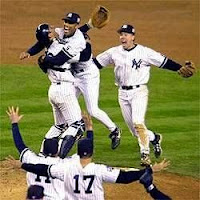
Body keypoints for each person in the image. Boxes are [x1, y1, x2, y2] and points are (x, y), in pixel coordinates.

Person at [93, 24, 195, 166]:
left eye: (126, 34)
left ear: (133, 37)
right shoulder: (113, 52)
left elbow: (163, 62)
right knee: (135, 131)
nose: (123, 37)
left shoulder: (144, 52)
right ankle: (155, 138)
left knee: (138, 122)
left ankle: (145, 155)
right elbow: (95, 64)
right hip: (122, 93)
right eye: (121, 34)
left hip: (139, 92)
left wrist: (179, 68)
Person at [20, 12, 121, 151]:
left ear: (76, 25)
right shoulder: (60, 35)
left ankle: (114, 130)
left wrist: (44, 60)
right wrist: (30, 52)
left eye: (70, 23)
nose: (65, 25)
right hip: (70, 79)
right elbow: (43, 41)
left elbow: (84, 56)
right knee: (71, 119)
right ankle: (65, 143)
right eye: (65, 21)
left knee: (92, 110)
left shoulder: (77, 41)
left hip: (87, 75)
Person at [20, 111, 171, 200]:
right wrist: (149, 170)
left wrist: (22, 165)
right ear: (91, 152)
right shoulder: (99, 170)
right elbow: (125, 178)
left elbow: (42, 169)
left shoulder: (65, 168)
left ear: (77, 153)